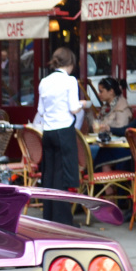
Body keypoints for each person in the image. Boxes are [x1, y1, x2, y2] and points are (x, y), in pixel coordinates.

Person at [35, 47, 91, 226]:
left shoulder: (44, 81)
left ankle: (49, 217)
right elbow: (73, 108)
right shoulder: (70, 81)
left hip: (48, 132)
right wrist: (84, 103)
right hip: (64, 130)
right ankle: (63, 220)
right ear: (71, 64)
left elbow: (40, 111)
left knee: (49, 175)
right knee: (63, 178)